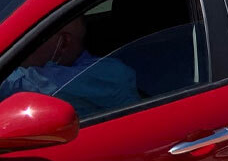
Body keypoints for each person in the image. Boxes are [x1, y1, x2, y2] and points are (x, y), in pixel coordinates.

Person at [0, 18, 138, 118]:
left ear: (63, 43)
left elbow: (14, 83)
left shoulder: (104, 74)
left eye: (29, 38)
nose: (21, 45)